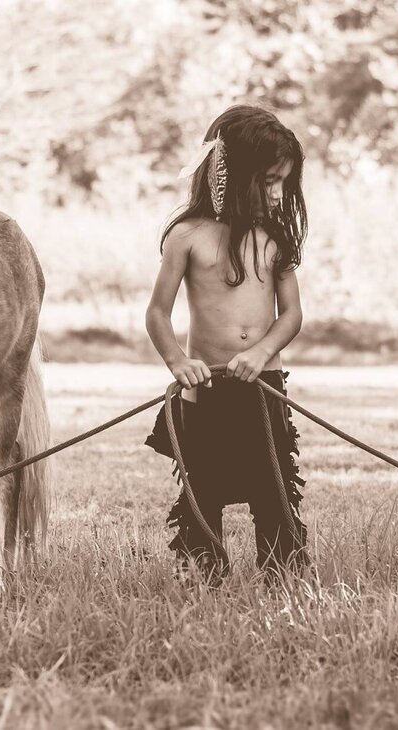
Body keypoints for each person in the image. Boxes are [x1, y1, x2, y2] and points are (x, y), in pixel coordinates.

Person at [143, 104, 310, 584]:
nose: (278, 193)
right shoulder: (187, 236)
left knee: (273, 485)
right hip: (206, 385)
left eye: (285, 182)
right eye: (269, 180)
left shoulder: (275, 237)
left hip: (263, 383)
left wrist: (261, 352)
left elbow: (292, 314)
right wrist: (178, 360)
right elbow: (157, 312)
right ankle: (203, 574)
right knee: (204, 486)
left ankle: (283, 574)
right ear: (233, 175)